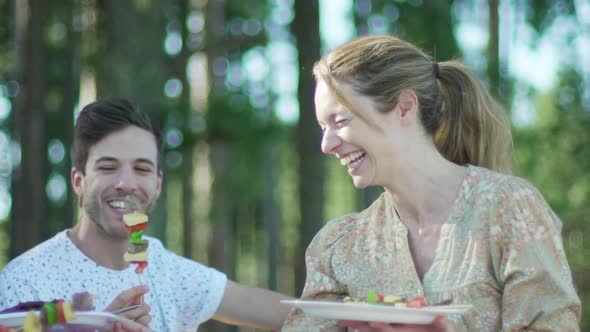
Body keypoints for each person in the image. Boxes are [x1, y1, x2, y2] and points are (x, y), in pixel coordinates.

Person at [281, 35, 581, 331]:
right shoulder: (339, 246)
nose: (326, 144)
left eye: (341, 121)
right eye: (323, 127)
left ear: (404, 107)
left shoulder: (508, 208)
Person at [0, 98, 292, 331]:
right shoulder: (26, 280)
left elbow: (278, 312)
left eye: (141, 168)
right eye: (107, 166)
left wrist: (336, 306)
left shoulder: (169, 272)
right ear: (79, 181)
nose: (126, 184)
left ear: (157, 184)